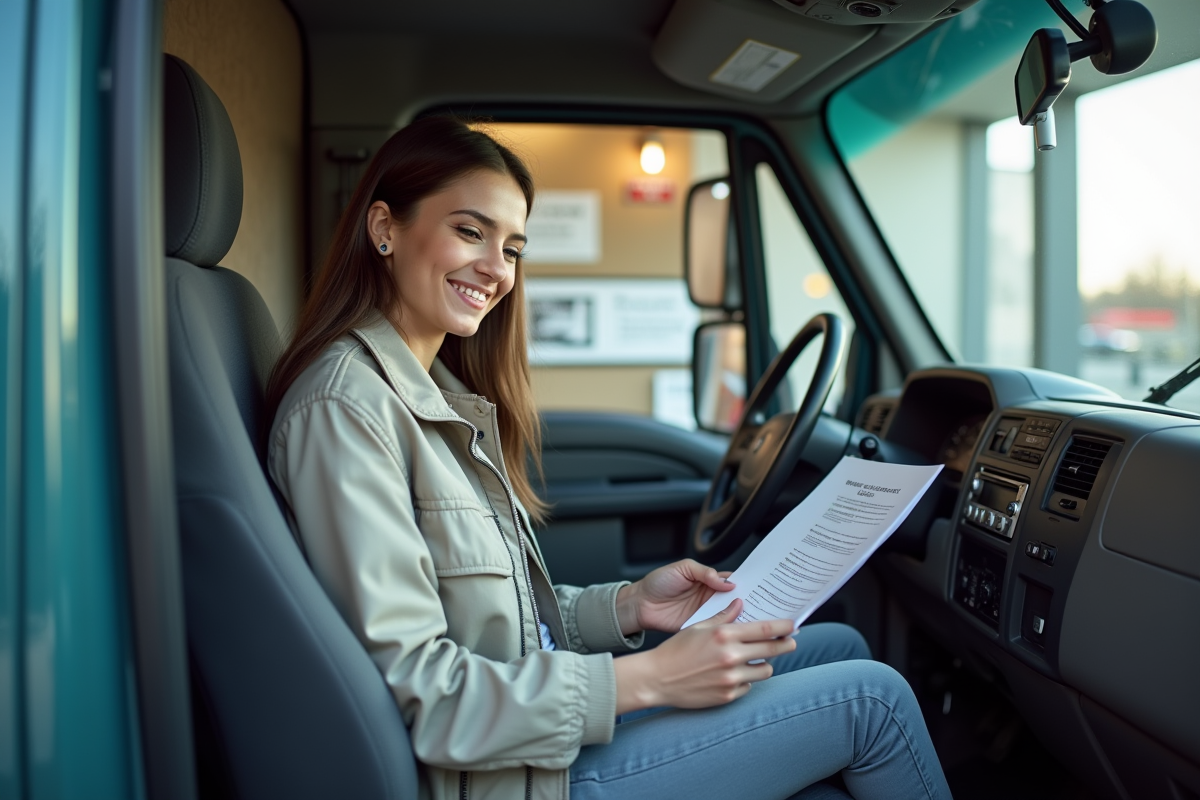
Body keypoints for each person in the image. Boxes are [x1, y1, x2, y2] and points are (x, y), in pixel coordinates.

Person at [266, 116, 953, 800]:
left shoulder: (436, 395)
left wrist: (628, 608)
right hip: (502, 779)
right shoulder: (347, 409)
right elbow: (425, 694)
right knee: (875, 699)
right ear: (385, 227)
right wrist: (648, 679)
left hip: (528, 740)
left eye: (512, 248)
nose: (495, 269)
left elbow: (497, 624)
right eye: (470, 232)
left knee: (836, 649)